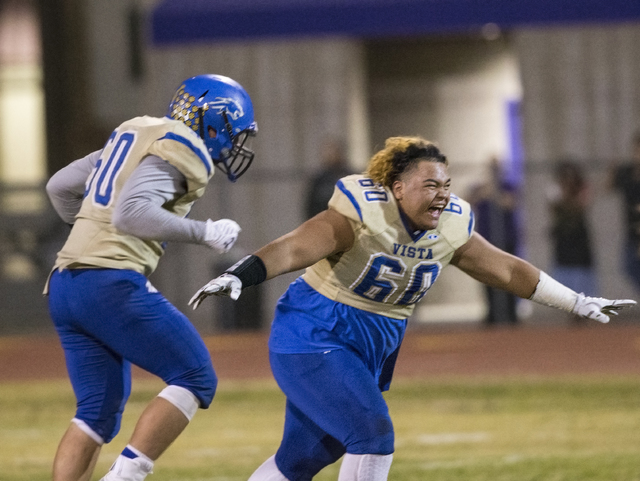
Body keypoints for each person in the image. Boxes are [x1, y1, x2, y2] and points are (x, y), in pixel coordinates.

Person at [189, 136, 635, 481]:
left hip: (373, 341)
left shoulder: (451, 224)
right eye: (429, 185)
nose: (441, 194)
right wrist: (241, 274)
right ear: (397, 188)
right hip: (316, 332)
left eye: (446, 184)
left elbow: (506, 270)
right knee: (372, 436)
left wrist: (575, 300)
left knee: (301, 459)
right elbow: (294, 248)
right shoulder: (364, 211)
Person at [44, 74, 258, 481]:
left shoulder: (136, 130)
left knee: (95, 414)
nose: (232, 144)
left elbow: (59, 187)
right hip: (108, 283)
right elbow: (132, 213)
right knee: (195, 375)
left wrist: (91, 233)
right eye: (231, 132)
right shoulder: (186, 147)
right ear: (211, 122)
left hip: (65, 283)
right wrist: (205, 232)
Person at [468, 156, 521, 325]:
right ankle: (492, 314)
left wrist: (494, 193)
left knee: (510, 277)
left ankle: (511, 314)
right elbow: (467, 202)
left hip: (506, 239)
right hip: (486, 240)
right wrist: (484, 191)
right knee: (487, 277)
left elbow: (508, 203)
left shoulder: (508, 186)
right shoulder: (480, 187)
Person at [548, 160, 597, 299]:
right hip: (563, 240)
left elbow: (581, 206)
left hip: (579, 240)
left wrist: (568, 195)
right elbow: (553, 208)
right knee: (565, 281)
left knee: (582, 281)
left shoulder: (582, 188)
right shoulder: (555, 190)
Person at [610, 131, 640, 292]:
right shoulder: (627, 171)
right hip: (631, 230)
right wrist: (612, 171)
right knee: (628, 266)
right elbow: (608, 188)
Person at [304, 137, 354, 219]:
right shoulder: (319, 180)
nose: (331, 156)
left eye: (334, 152)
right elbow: (311, 206)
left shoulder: (350, 177)